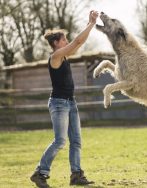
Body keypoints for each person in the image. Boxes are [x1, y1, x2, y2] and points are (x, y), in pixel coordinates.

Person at [30, 10, 99, 188]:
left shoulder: (64, 55)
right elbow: (77, 41)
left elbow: (78, 42)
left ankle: (76, 175)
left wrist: (89, 25)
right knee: (60, 141)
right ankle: (40, 173)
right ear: (56, 43)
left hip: (70, 102)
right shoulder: (56, 57)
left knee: (76, 141)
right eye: (63, 40)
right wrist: (91, 23)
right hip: (59, 104)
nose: (67, 42)